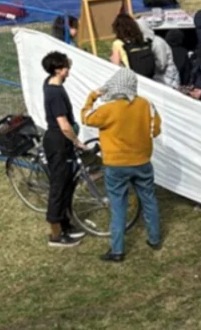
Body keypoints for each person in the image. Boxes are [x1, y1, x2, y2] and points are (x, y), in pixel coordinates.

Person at [80, 69, 162, 262]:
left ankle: (117, 250)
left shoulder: (108, 109)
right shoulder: (146, 104)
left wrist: (92, 96)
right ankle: (155, 239)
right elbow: (156, 131)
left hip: (115, 165)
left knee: (118, 206)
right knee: (149, 199)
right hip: (142, 162)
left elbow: (86, 118)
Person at [40, 51, 86, 248]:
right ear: (58, 70)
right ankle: (56, 235)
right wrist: (77, 141)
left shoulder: (49, 83)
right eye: (66, 67)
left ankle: (66, 224)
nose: (69, 71)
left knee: (67, 184)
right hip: (59, 142)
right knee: (58, 187)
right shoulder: (55, 93)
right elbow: (64, 125)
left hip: (58, 141)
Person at [110, 14, 157, 79]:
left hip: (132, 78)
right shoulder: (141, 39)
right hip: (149, 76)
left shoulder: (118, 43)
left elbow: (115, 65)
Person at [137, 19, 180, 88]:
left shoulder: (157, 43)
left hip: (167, 80)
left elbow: (161, 65)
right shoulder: (144, 43)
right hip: (157, 80)